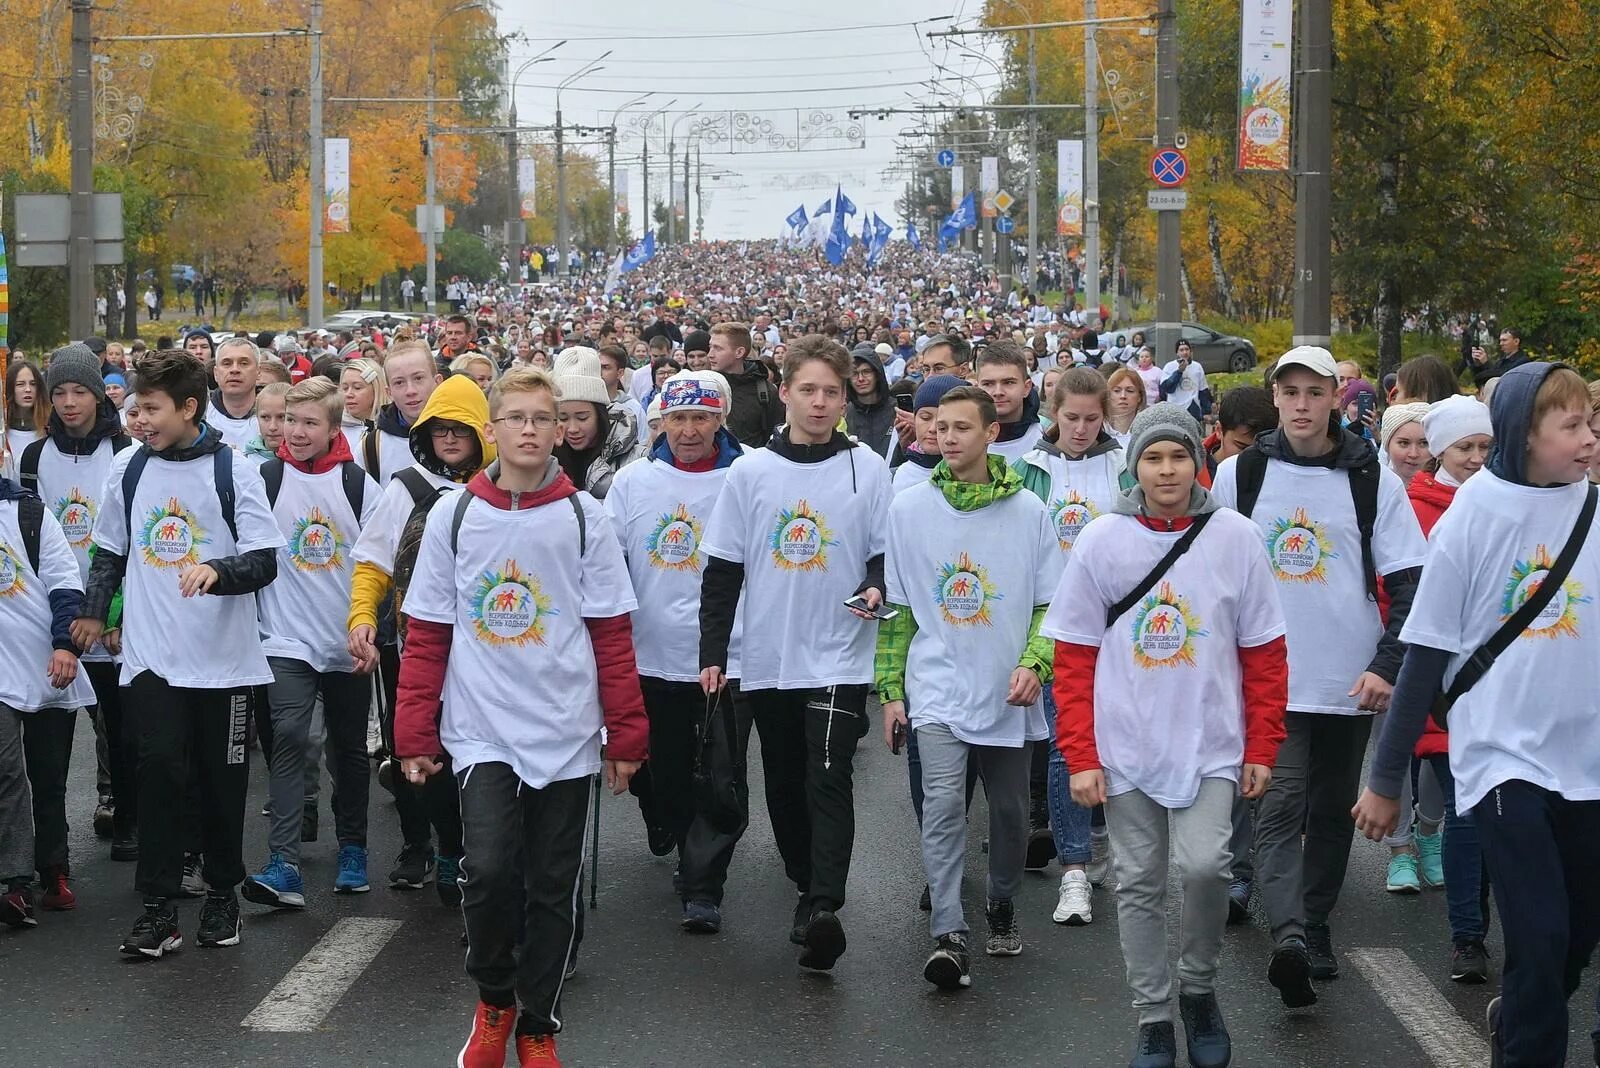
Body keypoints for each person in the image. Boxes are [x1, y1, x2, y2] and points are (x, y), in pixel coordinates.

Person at [394, 366, 645, 1068]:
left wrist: (626, 734)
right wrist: (414, 732)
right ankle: (494, 1001)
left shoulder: (583, 516)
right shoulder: (454, 514)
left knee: (551, 885)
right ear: (493, 430)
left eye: (544, 418)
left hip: (566, 730)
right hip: (482, 730)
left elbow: (611, 633)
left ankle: (538, 1023)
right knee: (491, 869)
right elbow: (429, 632)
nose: (530, 430)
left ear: (560, 428)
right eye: (516, 419)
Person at [1352, 363, 1598, 1068]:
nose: (1588, 439)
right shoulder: (1474, 513)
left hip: (1588, 761)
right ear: (1524, 434)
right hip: (1502, 760)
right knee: (1541, 933)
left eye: (1590, 423)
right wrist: (1386, 776)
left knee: (1576, 938)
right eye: (1571, 426)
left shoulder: (1595, 509)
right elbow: (1424, 653)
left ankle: (1518, 1012)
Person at [1045, 403, 1288, 1068]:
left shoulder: (1235, 537)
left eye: (1178, 455)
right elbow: (1073, 658)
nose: (1167, 469)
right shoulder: (1101, 540)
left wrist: (1263, 745)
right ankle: (1154, 1014)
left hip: (1212, 741)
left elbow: (1265, 651)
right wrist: (1081, 755)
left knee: (1207, 866)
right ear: (1136, 468)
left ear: (1197, 461)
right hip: (1126, 747)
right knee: (1138, 883)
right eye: (1153, 458)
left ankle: (1199, 988)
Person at [1211, 345, 1427, 1007]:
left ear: (1337, 397)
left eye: (1315, 392)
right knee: (1279, 807)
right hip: (1270, 679)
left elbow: (1410, 583)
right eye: (1290, 392)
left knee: (1332, 811)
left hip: (1348, 678)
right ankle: (1292, 936)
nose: (1301, 405)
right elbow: (1210, 577)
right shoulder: (1241, 475)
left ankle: (1316, 923)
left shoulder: (1372, 479)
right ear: (1275, 398)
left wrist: (1385, 665)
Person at [76, 348, 284, 958]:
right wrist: (93, 611)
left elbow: (266, 559)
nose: (138, 419)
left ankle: (223, 895)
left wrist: (218, 570)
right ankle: (159, 909)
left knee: (222, 784)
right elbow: (109, 550)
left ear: (189, 408)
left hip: (225, 663)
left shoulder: (233, 469)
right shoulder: (129, 470)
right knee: (159, 776)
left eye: (151, 409)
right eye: (136, 408)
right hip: (152, 659)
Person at [698, 334, 891, 970]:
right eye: (807, 389)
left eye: (831, 392)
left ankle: (824, 902)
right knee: (783, 780)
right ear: (783, 393)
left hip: (840, 651)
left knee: (829, 775)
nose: (819, 402)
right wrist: (713, 651)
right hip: (769, 653)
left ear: (845, 398)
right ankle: (805, 882)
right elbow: (723, 569)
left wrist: (876, 584)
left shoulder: (869, 467)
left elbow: (883, 555)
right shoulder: (750, 472)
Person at [877, 385, 1060, 990]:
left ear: (992, 434)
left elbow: (1049, 606)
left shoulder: (1030, 513)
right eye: (940, 427)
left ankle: (1002, 900)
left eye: (961, 428)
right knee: (943, 806)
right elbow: (900, 610)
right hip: (937, 685)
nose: (947, 437)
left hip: (1008, 691)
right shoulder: (908, 508)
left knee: (1009, 814)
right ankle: (949, 933)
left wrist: (1035, 664)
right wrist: (892, 691)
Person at [604, 371, 749, 929]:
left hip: (727, 654)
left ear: (721, 420)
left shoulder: (746, 474)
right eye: (678, 419)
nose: (689, 431)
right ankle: (662, 817)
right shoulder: (634, 482)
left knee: (720, 774)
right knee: (661, 773)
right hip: (652, 652)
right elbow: (608, 564)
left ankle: (703, 885)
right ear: (660, 421)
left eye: (702, 418)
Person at [348, 374, 493, 898]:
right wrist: (362, 616)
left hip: (487, 652)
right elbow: (372, 561)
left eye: (461, 430)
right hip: (416, 646)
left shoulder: (502, 489)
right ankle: (433, 845)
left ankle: (470, 850)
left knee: (474, 758)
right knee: (418, 750)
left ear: (482, 433)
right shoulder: (406, 488)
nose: (450, 440)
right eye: (439, 430)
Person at [239, 378, 379, 910]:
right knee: (289, 736)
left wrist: (370, 626)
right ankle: (284, 863)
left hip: (346, 640)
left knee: (347, 751)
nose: (296, 433)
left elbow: (376, 561)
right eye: (290, 421)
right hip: (285, 637)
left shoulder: (358, 485)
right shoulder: (264, 478)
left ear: (333, 428)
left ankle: (353, 850)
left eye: (310, 424)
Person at [1015, 367, 1133, 922]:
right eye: (1071, 418)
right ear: (1052, 413)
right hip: (1059, 629)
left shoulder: (1126, 467)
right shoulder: (1029, 471)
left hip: (1120, 628)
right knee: (1068, 745)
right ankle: (1075, 869)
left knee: (1117, 743)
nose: (1082, 429)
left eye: (1092, 419)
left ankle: (1103, 829)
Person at [21, 345, 137, 867]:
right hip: (54, 617)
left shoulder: (126, 453)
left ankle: (129, 816)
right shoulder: (33, 457)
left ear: (97, 395)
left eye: (80, 392)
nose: (69, 403)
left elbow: (135, 540)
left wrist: (114, 615)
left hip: (110, 617)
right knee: (54, 739)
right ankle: (50, 848)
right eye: (60, 392)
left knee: (121, 728)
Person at [0, 464, 97, 928]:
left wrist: (65, 644)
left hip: (45, 662)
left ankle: (53, 869)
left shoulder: (29, 513)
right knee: (6, 774)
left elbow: (65, 584)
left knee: (49, 775)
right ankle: (14, 881)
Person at [552, 348, 644, 500]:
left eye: (582, 418)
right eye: (563, 418)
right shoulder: (544, 457)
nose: (573, 429)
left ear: (601, 415)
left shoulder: (635, 461)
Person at [356, 340, 442, 485]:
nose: (410, 391)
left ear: (438, 382)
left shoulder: (459, 436)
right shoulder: (371, 448)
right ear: (389, 392)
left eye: (418, 378)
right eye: (399, 383)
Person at [707, 324, 783, 449]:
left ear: (739, 352)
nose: (710, 354)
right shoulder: (705, 386)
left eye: (718, 348)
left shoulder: (766, 391)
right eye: (710, 347)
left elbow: (775, 439)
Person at [892, 375, 965, 497]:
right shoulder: (902, 475)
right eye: (925, 418)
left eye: (943, 420)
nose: (933, 429)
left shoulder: (976, 474)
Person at [975, 340, 1043, 463]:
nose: (998, 392)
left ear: (1026, 388)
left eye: (1008, 382)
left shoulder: (1047, 436)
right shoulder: (963, 439)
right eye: (988, 384)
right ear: (976, 388)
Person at [1198, 386, 1276, 490]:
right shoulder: (1191, 475)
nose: (1250, 455)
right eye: (1241, 447)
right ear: (1219, 430)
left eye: (1261, 449)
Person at [208, 338, 261, 451]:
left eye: (244, 363)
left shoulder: (276, 416)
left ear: (258, 371)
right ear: (216, 373)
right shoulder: (200, 416)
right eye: (227, 363)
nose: (235, 369)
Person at [845, 343, 896, 458]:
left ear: (877, 374)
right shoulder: (844, 414)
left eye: (866, 372)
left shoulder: (897, 410)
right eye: (854, 373)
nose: (861, 379)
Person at [3, 361, 48, 478]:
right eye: (20, 384)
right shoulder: (2, 432)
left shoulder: (50, 428)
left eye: (33, 384)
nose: (28, 389)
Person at [339, 358, 387, 455]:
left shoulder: (393, 428)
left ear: (376, 389)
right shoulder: (334, 432)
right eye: (345, 388)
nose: (349, 394)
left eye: (357, 387)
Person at [1461, 325, 1532, 390]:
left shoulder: (1522, 362)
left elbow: (1500, 378)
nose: (1501, 344)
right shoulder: (1502, 360)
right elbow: (1480, 378)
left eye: (1504, 340)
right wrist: (1478, 363)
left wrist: (1486, 363)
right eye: (1500, 340)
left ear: (1516, 341)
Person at [1378, 402, 1432, 486]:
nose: (1413, 454)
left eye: (1423, 443)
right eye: (1404, 443)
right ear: (1387, 446)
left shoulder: (1452, 491)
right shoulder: (1374, 490)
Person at [1160, 341, 1208, 420]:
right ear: (1177, 353)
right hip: (1174, 408)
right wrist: (1179, 372)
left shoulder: (1197, 366)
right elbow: (1166, 388)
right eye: (1181, 350)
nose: (1185, 352)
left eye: (1187, 349)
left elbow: (1203, 390)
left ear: (1190, 351)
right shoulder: (1169, 366)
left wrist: (1206, 411)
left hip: (1192, 407)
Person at [243, 383, 289, 462]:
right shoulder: (245, 461)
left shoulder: (309, 462)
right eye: (265, 417)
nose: (272, 427)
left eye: (282, 417)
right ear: (256, 417)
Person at [1106, 367, 1147, 449]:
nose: (1123, 396)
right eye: (1117, 391)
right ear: (1108, 395)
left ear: (1140, 396)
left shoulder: (1147, 431)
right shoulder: (1097, 430)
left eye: (1130, 391)